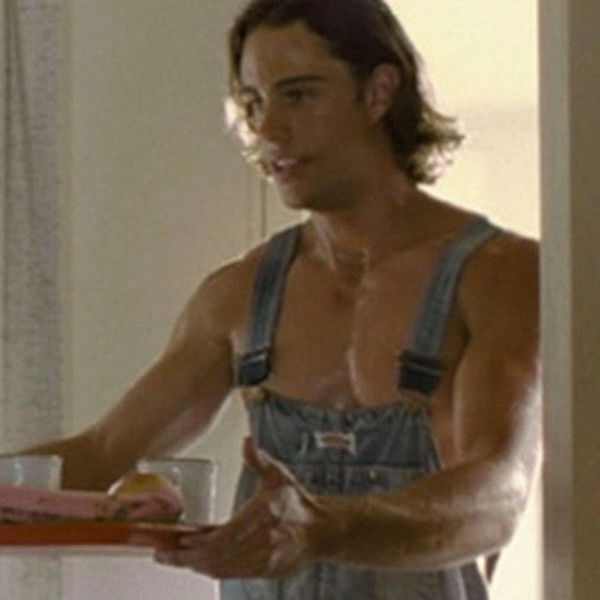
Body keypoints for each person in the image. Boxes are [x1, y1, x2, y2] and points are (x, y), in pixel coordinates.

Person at [16, 0, 540, 598]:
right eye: (254, 103)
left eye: (299, 96)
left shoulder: (498, 273)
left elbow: (497, 500)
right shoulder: (238, 294)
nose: (268, 131)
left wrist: (323, 528)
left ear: (378, 92)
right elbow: (103, 453)